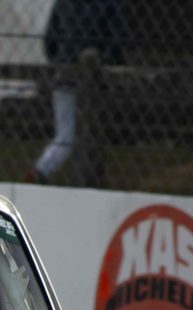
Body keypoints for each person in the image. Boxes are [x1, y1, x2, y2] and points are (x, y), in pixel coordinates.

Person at [26, 0, 126, 184]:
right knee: (93, 130)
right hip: (96, 76)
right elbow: (118, 38)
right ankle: (84, 176)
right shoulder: (110, 4)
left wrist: (60, 60)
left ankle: (42, 169)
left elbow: (50, 40)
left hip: (66, 72)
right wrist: (111, 60)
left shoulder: (64, 3)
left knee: (66, 135)